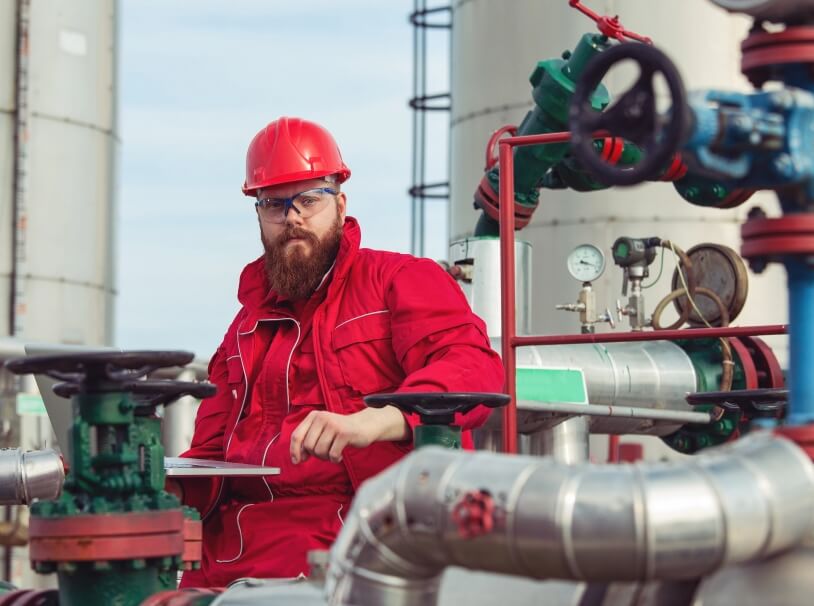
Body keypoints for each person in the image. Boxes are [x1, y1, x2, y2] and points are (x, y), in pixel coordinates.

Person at [175, 117, 504, 587]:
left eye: (309, 199)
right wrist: (135, 481)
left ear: (340, 204)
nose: (293, 217)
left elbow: (472, 368)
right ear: (258, 215)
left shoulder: (399, 280)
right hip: (230, 558)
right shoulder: (243, 329)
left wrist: (373, 421)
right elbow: (208, 457)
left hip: (364, 545)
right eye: (273, 204)